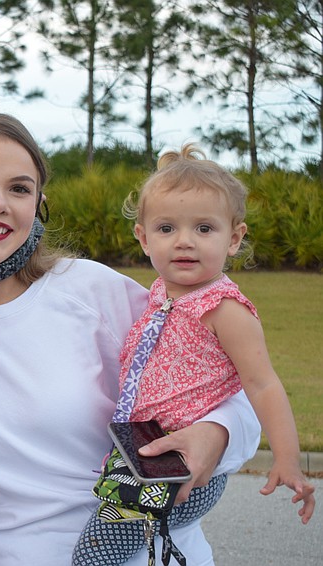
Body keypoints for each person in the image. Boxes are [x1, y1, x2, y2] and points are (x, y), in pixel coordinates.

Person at [0, 113, 263, 565]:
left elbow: (235, 398)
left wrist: (217, 434)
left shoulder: (94, 292)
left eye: (19, 189)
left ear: (38, 202)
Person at [72, 144, 315, 565]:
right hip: (151, 455)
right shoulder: (161, 293)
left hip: (184, 468)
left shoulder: (224, 309)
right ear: (144, 238)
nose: (184, 241)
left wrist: (287, 460)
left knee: (94, 555)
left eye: (204, 228)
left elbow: (263, 384)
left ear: (234, 238)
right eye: (167, 228)